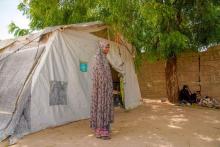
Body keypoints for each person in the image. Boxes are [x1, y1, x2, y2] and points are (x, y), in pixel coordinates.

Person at [90, 41, 114, 140]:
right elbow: (99, 74)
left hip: (106, 89)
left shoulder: (104, 58)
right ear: (101, 47)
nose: (107, 49)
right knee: (101, 106)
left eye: (108, 47)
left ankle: (103, 130)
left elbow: (107, 74)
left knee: (105, 106)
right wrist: (104, 84)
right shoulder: (97, 58)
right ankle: (100, 131)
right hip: (100, 89)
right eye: (106, 47)